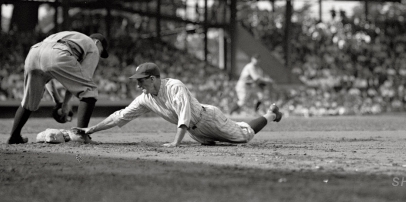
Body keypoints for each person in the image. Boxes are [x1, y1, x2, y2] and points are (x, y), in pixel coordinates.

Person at [75, 62, 283, 147]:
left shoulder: (175, 87)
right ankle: (253, 119)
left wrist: (176, 143)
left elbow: (183, 115)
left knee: (243, 136)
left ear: (154, 78)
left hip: (208, 118)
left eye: (141, 80)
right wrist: (90, 129)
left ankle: (271, 114)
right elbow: (120, 116)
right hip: (196, 131)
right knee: (211, 145)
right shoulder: (145, 98)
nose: (138, 85)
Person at [7, 31, 109, 144]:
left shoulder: (73, 35)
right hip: (57, 51)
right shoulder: (92, 45)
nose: (99, 55)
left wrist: (59, 102)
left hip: (34, 52)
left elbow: (47, 74)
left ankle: (14, 136)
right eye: (101, 51)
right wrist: (65, 103)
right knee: (89, 90)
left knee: (28, 101)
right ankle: (80, 135)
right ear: (97, 42)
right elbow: (82, 81)